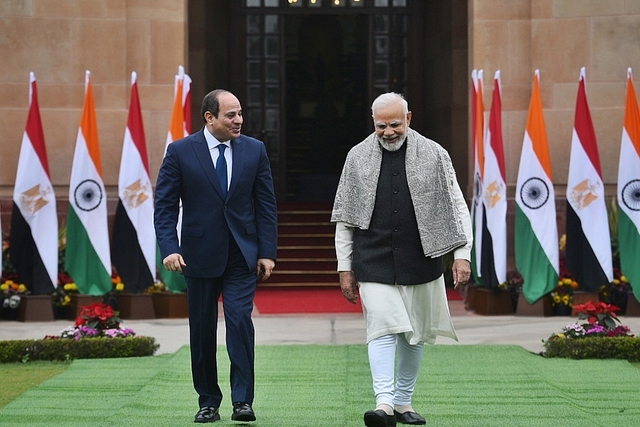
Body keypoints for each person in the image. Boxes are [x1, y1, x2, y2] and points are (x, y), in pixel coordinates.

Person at [331, 92, 472, 427]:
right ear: (373, 123)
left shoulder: (436, 154)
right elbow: (345, 219)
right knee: (381, 327)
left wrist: (462, 256)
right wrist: (345, 268)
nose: (388, 131)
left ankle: (404, 403)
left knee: (416, 333)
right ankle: (383, 404)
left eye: (395, 124)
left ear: (409, 117)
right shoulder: (357, 157)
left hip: (422, 259)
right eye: (382, 126)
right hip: (373, 259)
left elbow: (457, 206)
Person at [154, 89, 277, 423]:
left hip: (242, 255)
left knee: (239, 322)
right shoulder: (180, 151)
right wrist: (170, 249)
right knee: (203, 330)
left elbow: (265, 204)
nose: (238, 121)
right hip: (198, 255)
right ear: (209, 118)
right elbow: (164, 206)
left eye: (239, 114)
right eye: (230, 115)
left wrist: (267, 252)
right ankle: (208, 400)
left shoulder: (255, 150)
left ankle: (242, 401)